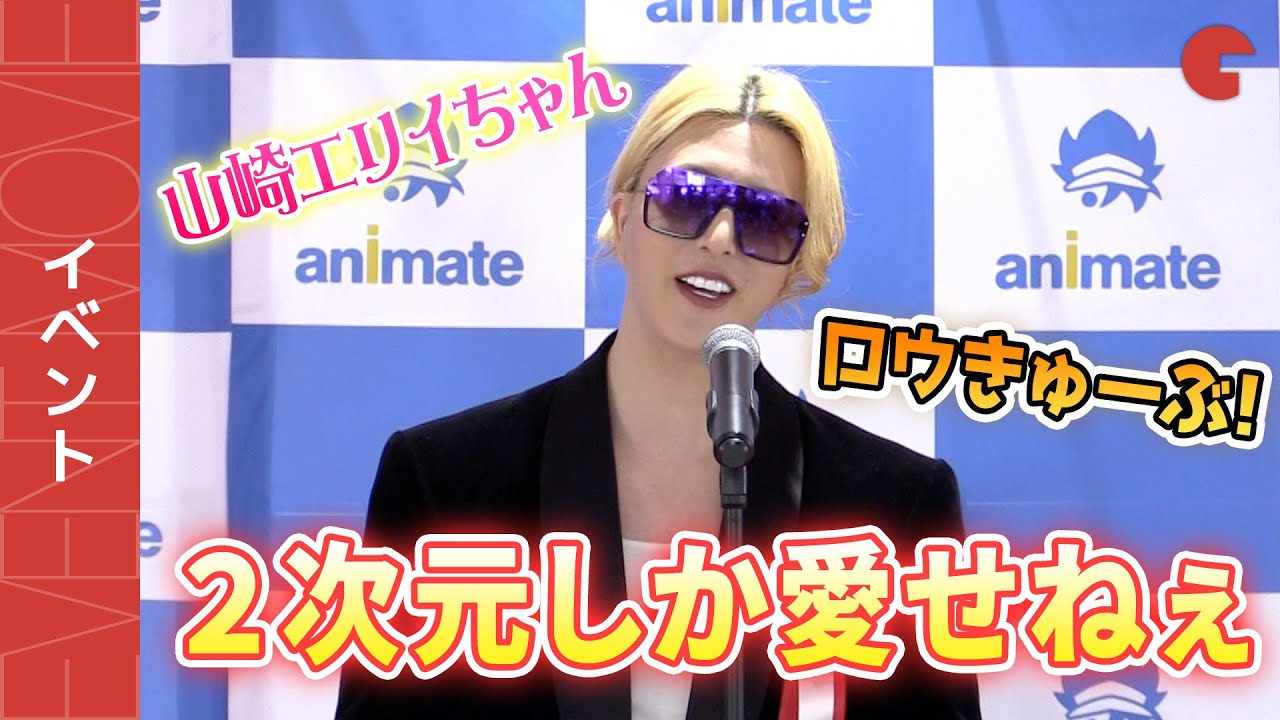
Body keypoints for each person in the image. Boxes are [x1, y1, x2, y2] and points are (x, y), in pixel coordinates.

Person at [334, 64, 982, 720]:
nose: (720, 238)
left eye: (765, 218)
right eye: (686, 198)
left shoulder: (893, 509)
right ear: (624, 218)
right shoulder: (444, 480)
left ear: (793, 267)